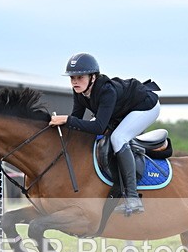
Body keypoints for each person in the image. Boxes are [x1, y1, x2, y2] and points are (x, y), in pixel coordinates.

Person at [49, 53, 160, 215]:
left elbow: (99, 127)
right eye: (72, 77)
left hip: (146, 106)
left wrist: (66, 119)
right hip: (121, 111)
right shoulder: (79, 92)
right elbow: (76, 120)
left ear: (93, 77)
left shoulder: (107, 91)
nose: (74, 81)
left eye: (80, 77)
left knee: (118, 138)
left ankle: (133, 198)